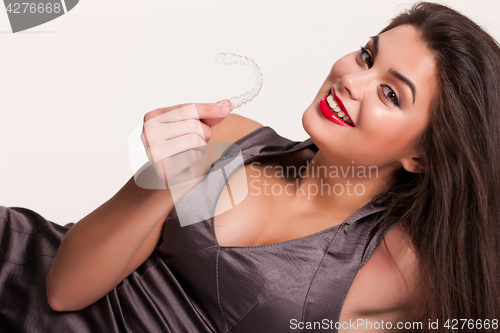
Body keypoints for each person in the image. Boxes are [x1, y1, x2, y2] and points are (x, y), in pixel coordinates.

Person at [1, 2, 499, 332]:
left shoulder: (401, 271)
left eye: (391, 93)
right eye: (367, 56)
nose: (352, 80)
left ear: (422, 155)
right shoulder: (231, 136)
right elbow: (65, 289)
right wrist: (164, 180)